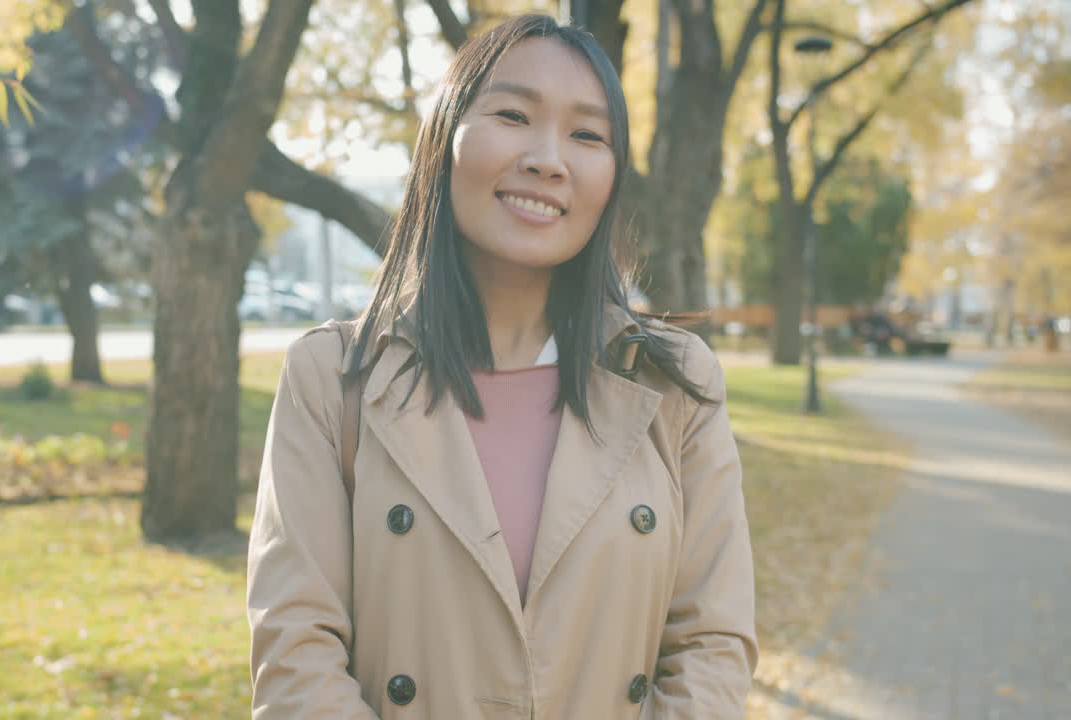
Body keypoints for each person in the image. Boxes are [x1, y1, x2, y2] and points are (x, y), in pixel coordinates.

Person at [247, 14, 756, 718]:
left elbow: (713, 644)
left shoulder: (671, 382)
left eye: (587, 134)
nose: (549, 159)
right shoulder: (333, 378)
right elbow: (296, 654)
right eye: (514, 115)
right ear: (443, 142)